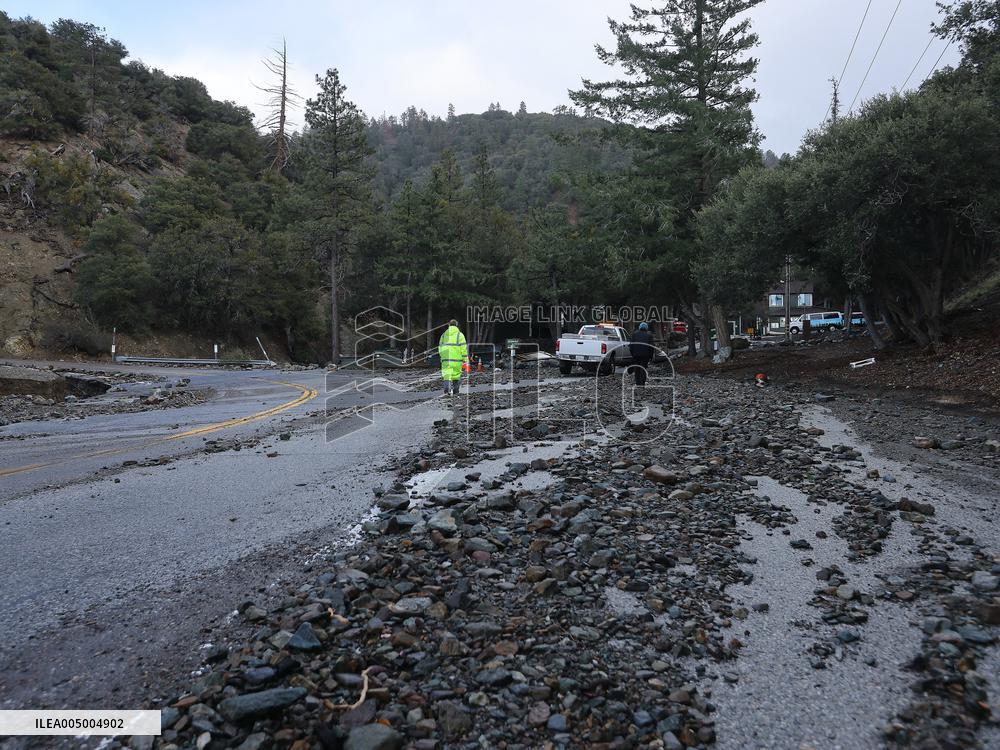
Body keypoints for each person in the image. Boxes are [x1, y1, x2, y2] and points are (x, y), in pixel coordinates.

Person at [438, 319, 468, 397]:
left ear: (449, 325)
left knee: (447, 375)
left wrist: (442, 358)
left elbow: (440, 348)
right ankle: (456, 391)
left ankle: (447, 390)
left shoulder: (443, 335)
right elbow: (463, 348)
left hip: (446, 360)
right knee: (456, 375)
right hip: (457, 360)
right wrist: (465, 360)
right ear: (456, 325)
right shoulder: (460, 335)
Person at [629, 322, 654, 387]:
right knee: (643, 368)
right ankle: (642, 383)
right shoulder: (649, 336)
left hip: (636, 355)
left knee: (637, 369)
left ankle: (638, 383)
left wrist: (632, 354)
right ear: (646, 328)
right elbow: (651, 347)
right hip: (645, 355)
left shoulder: (634, 335)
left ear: (640, 327)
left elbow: (631, 346)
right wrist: (651, 357)